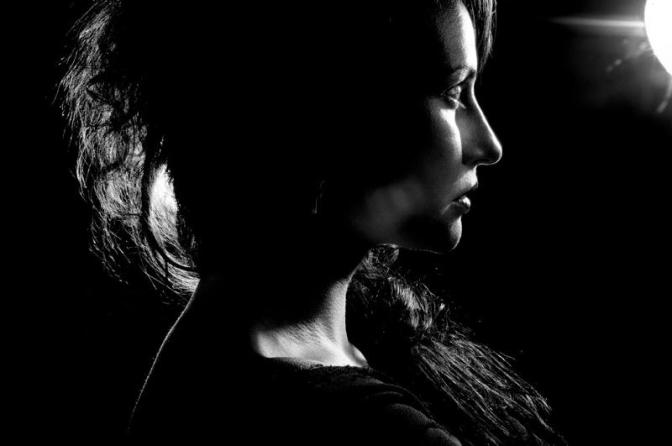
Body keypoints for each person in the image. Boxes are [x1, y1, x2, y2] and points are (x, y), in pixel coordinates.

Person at [61, 0, 565, 444]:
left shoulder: (211, 352)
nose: (490, 146)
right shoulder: (341, 419)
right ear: (337, 110)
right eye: (455, 93)